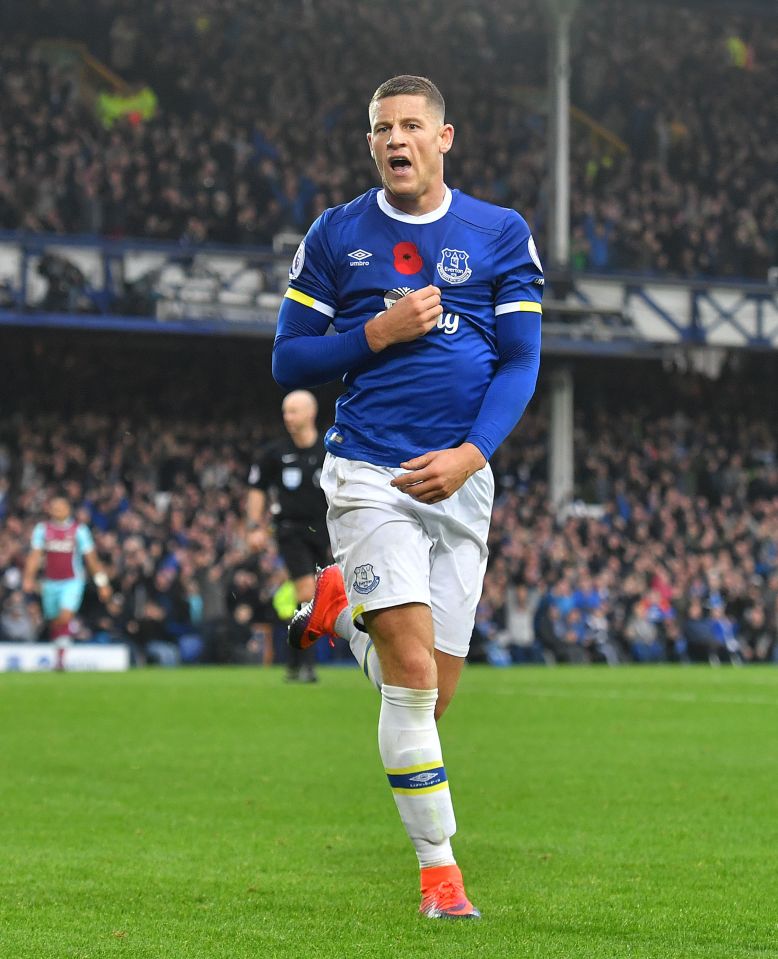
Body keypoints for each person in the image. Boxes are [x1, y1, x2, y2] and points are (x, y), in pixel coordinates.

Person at [272, 75, 542, 919]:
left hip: (461, 481)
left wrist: (470, 453)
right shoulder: (336, 234)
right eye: (383, 127)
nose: (397, 138)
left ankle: (339, 607)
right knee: (414, 678)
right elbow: (289, 360)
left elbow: (521, 360)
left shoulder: (499, 233)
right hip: (369, 475)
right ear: (371, 144)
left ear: (444, 137)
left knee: (433, 694)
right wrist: (373, 335)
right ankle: (440, 873)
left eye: (412, 125)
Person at [247, 389, 380, 684]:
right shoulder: (274, 454)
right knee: (307, 590)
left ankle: (296, 662)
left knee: (326, 594)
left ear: (310, 413)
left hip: (329, 532)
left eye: (293, 411)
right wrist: (254, 526)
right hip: (291, 531)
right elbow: (256, 489)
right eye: (285, 412)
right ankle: (306, 665)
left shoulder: (330, 450)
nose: (287, 417)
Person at [22, 493, 112, 669]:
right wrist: (28, 578)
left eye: (60, 507)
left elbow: (92, 560)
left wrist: (102, 583)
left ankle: (62, 658)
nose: (56, 510)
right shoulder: (42, 529)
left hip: (72, 581)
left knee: (65, 615)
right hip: (49, 582)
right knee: (55, 619)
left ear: (68, 509)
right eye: (54, 507)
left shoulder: (79, 530)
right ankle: (60, 656)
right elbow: (35, 556)